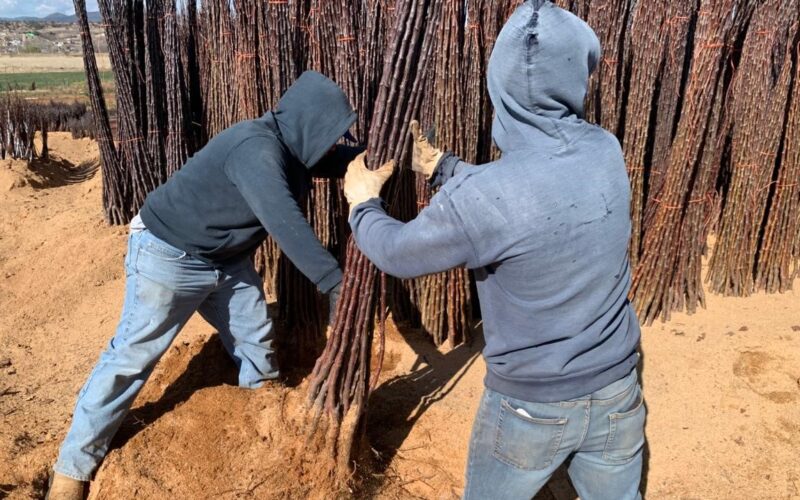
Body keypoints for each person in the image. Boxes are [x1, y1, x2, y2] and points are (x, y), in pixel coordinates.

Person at [343, 1, 645, 499]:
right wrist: (444, 167)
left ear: (498, 88)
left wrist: (363, 205)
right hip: (617, 391)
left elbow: (397, 252)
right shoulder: (603, 151)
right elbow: (537, 197)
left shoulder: (486, 197)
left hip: (530, 409)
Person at [48, 71, 361, 499]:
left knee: (255, 338)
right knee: (133, 356)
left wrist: (370, 155)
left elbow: (327, 161)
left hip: (223, 260)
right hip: (168, 254)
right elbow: (285, 223)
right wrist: (334, 283)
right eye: (329, 133)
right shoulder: (256, 150)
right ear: (308, 124)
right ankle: (72, 470)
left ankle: (258, 429)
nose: (330, 143)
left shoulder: (285, 145)